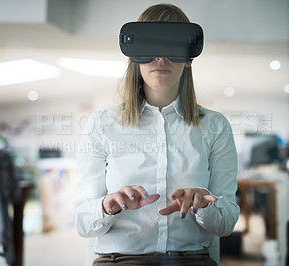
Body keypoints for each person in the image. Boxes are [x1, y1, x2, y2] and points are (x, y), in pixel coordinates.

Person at [73, 4, 239, 266]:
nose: (161, 57)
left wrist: (204, 205)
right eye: (151, 46)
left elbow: (227, 221)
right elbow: (82, 221)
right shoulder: (101, 124)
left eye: (171, 47)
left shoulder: (215, 127)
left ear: (188, 57)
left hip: (191, 259)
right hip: (120, 260)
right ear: (134, 56)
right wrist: (108, 204)